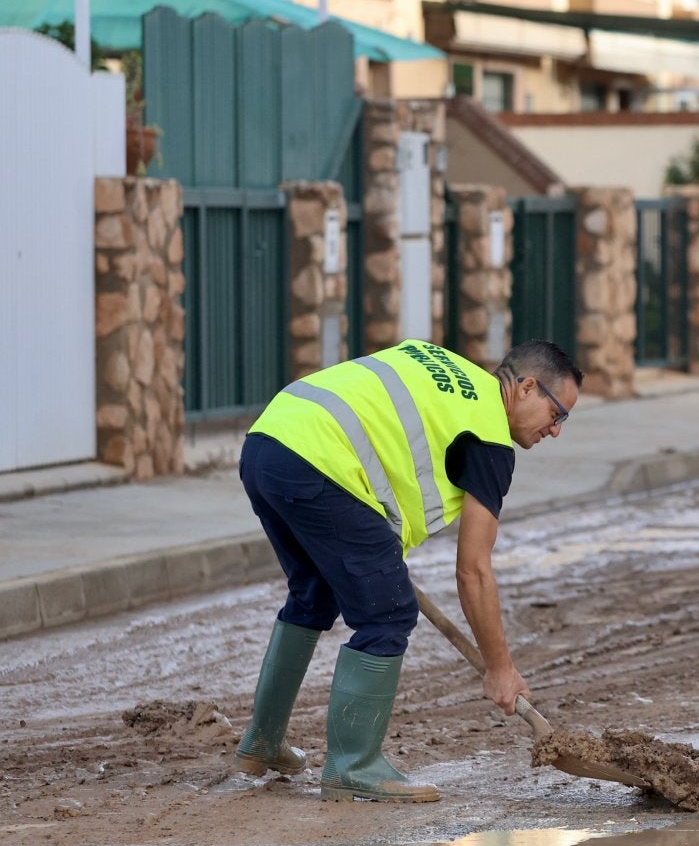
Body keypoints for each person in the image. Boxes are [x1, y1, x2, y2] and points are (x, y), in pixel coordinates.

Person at [232, 338, 581, 803]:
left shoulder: (441, 359)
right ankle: (353, 766)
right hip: (320, 463)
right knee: (388, 612)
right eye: (558, 414)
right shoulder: (489, 437)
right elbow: (473, 570)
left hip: (269, 443)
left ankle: (262, 743)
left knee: (314, 593)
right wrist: (500, 668)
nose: (556, 430)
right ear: (527, 388)